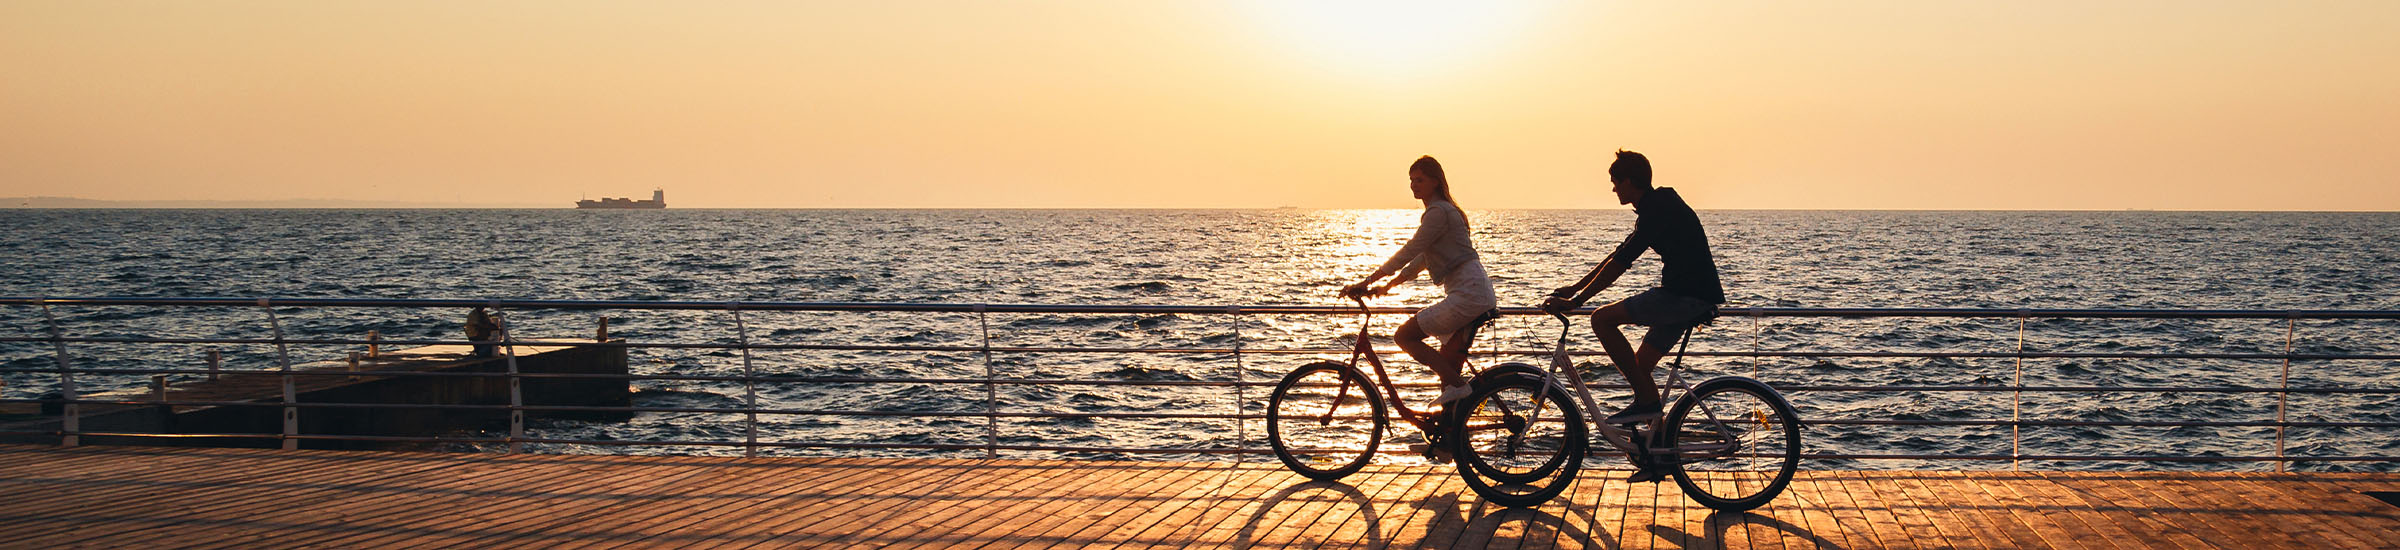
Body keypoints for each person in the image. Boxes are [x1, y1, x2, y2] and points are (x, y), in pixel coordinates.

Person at [1541, 150, 1725, 479]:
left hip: (1683, 297)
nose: (1613, 189)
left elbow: (1621, 263)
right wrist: (1574, 289)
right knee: (1640, 367)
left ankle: (1647, 403)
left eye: (1615, 182)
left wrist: (1580, 300)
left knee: (1601, 319)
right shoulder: (1658, 205)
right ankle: (1659, 453)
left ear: (1629, 181)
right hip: (1691, 296)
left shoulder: (1657, 209)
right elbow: (1618, 255)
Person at [1342, 155, 1498, 408]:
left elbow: (1411, 250)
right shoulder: (1444, 211)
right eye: (1411, 180)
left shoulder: (1438, 212)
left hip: (1468, 295)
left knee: (1405, 336)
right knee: (1447, 368)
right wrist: (1388, 286)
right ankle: (1451, 425)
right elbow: (1422, 260)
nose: (1414, 185)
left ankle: (1461, 387)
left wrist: (1367, 280)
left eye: (1420, 180)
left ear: (1435, 181)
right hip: (1473, 292)